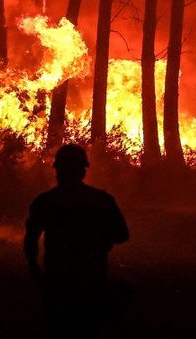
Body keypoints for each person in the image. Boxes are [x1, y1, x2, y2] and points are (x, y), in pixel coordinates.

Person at [24, 143, 129, 337]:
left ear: (58, 171)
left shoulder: (45, 202)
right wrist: (99, 242)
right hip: (91, 277)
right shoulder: (101, 200)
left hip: (58, 279)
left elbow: (31, 238)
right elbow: (122, 235)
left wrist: (33, 267)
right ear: (83, 171)